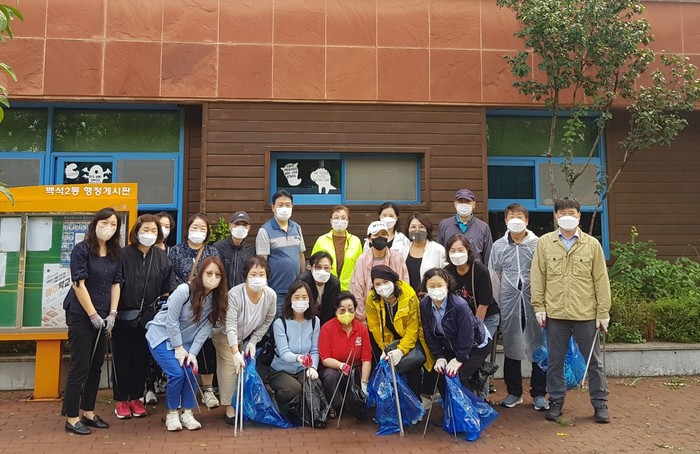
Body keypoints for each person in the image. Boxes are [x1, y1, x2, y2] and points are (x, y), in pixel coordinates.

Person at [530, 197, 611, 423]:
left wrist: (603, 311)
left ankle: (600, 403)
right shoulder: (545, 243)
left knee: (593, 362)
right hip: (555, 314)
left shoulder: (591, 244)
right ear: (556, 216)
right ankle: (556, 400)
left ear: (579, 216)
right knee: (555, 361)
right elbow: (538, 276)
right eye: (562, 213)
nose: (567, 217)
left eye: (572, 213)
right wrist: (539, 306)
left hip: (586, 314)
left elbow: (601, 279)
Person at [145, 257, 228, 431]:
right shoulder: (184, 290)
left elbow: (205, 330)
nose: (213, 278)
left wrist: (192, 354)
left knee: (190, 371)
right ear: (201, 273)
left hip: (186, 343)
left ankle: (187, 412)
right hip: (161, 336)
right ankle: (172, 413)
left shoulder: (216, 299)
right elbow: (171, 321)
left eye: (217, 275)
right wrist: (178, 348)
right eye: (209, 273)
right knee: (177, 374)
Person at [62, 207, 123, 435]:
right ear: (95, 224)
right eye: (104, 223)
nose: (109, 228)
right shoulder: (81, 250)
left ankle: (88, 412)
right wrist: (93, 315)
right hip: (81, 315)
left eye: (113, 224)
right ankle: (71, 417)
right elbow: (79, 284)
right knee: (80, 366)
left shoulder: (115, 252)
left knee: (96, 365)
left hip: (105, 316)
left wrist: (112, 314)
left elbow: (117, 283)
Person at [113, 215, 174, 419]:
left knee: (141, 358)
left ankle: (136, 398)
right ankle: (121, 400)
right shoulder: (123, 254)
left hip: (149, 318)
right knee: (122, 358)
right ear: (136, 231)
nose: (149, 234)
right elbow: (115, 283)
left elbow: (166, 288)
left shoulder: (162, 257)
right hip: (123, 316)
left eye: (154, 231)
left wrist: (161, 309)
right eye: (145, 229)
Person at [489, 204, 548, 410]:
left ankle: (539, 393)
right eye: (511, 216)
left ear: (527, 221)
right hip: (509, 303)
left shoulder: (538, 244)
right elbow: (494, 275)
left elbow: (545, 272)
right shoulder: (498, 246)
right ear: (506, 221)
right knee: (511, 345)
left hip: (534, 302)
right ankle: (514, 392)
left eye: (520, 216)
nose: (516, 220)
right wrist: (496, 303)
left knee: (538, 346)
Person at [211, 255, 277, 424]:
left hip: (244, 336)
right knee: (231, 366)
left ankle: (240, 402)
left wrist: (253, 342)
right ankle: (230, 408)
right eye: (253, 274)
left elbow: (268, 320)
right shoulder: (234, 294)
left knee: (243, 368)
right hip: (224, 333)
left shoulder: (270, 296)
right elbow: (230, 325)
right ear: (245, 276)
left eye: (261, 274)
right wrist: (235, 352)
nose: (257, 278)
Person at [168, 213, 221, 409]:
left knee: (206, 345)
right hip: (183, 303)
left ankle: (207, 389)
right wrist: (186, 293)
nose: (198, 231)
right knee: (178, 346)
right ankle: (180, 389)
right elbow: (171, 276)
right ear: (188, 229)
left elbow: (217, 276)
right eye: (194, 227)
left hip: (206, 304)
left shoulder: (212, 252)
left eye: (202, 228)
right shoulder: (176, 251)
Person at [419, 268, 492, 397]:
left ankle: (469, 407)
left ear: (447, 285)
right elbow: (428, 333)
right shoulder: (424, 305)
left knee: (457, 376)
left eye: (440, 285)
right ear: (426, 287)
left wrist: (460, 359)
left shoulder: (459, 305)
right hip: (451, 345)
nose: (436, 289)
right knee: (441, 374)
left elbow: (467, 334)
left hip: (476, 345)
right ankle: (449, 405)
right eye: (432, 286)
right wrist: (439, 356)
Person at [365, 265, 433, 398]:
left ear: (393, 281)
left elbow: (413, 328)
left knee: (413, 367)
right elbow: (375, 326)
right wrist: (386, 348)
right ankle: (397, 402)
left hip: (409, 337)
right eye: (377, 284)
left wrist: (401, 350)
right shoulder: (372, 298)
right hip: (388, 338)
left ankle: (415, 401)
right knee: (390, 370)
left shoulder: (408, 296)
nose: (382, 287)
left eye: (385, 282)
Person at [268, 280, 321, 417]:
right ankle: (275, 399)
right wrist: (298, 358)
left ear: (310, 299)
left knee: (314, 384)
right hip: (281, 370)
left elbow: (315, 350)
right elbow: (284, 353)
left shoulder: (315, 321)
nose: (300, 301)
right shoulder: (280, 323)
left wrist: (313, 368)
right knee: (294, 388)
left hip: (303, 369)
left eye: (304, 297)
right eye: (296, 297)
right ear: (290, 299)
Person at [318, 292, 372, 413]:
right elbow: (325, 359)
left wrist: (364, 383)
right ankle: (335, 405)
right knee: (330, 376)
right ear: (336, 311)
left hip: (354, 372)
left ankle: (352, 403)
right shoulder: (327, 328)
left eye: (350, 310)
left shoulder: (361, 329)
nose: (346, 313)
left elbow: (366, 359)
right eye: (342, 310)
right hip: (335, 370)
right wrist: (341, 365)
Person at [256, 190, 306, 315]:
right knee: (277, 323)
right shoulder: (265, 231)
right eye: (280, 205)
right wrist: (264, 289)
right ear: (273, 208)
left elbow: (301, 255)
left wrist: (303, 281)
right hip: (275, 291)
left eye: (287, 205)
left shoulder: (297, 228)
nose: (284, 208)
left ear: (292, 207)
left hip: (296, 290)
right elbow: (262, 263)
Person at [350, 221, 409, 322]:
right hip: (370, 313)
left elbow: (404, 284)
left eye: (383, 234)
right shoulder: (362, 260)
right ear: (369, 239)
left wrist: (402, 311)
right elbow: (357, 289)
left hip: (395, 311)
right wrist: (361, 317)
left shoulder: (397, 258)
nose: (380, 237)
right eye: (376, 235)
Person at [311, 205, 363, 292]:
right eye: (336, 218)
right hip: (326, 287)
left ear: (348, 221)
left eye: (343, 218)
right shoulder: (321, 240)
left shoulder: (355, 241)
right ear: (331, 220)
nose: (340, 221)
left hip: (349, 288)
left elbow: (359, 267)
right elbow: (313, 265)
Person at [437, 189, 493, 265]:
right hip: (450, 269)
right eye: (460, 202)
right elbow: (440, 253)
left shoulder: (483, 227)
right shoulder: (444, 225)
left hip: (475, 270)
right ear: (455, 204)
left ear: (473, 204)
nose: (464, 205)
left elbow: (488, 255)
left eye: (467, 202)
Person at [399, 212, 447, 294]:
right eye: (413, 227)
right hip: (408, 297)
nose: (417, 230)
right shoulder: (402, 251)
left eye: (421, 227)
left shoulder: (438, 250)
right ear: (408, 230)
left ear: (427, 229)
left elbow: (445, 276)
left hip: (432, 296)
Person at [213, 211, 256, 287]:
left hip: (241, 292)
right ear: (230, 226)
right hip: (222, 291)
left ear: (248, 228)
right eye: (237, 224)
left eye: (244, 225)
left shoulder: (250, 250)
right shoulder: (218, 247)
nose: (240, 227)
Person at [298, 251, 341, 325]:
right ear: (311, 267)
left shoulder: (334, 283)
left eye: (326, 268)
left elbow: (332, 309)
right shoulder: (303, 281)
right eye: (318, 267)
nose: (322, 271)